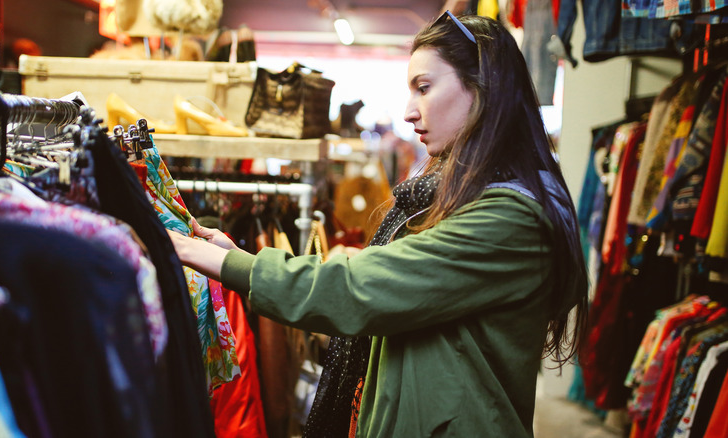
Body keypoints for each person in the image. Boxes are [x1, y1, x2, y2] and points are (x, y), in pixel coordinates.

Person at [168, 11, 588, 437]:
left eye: (424, 88)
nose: (408, 112)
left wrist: (229, 263)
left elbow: (357, 289)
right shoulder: (463, 197)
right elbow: (399, 284)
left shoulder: (508, 218)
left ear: (484, 89)